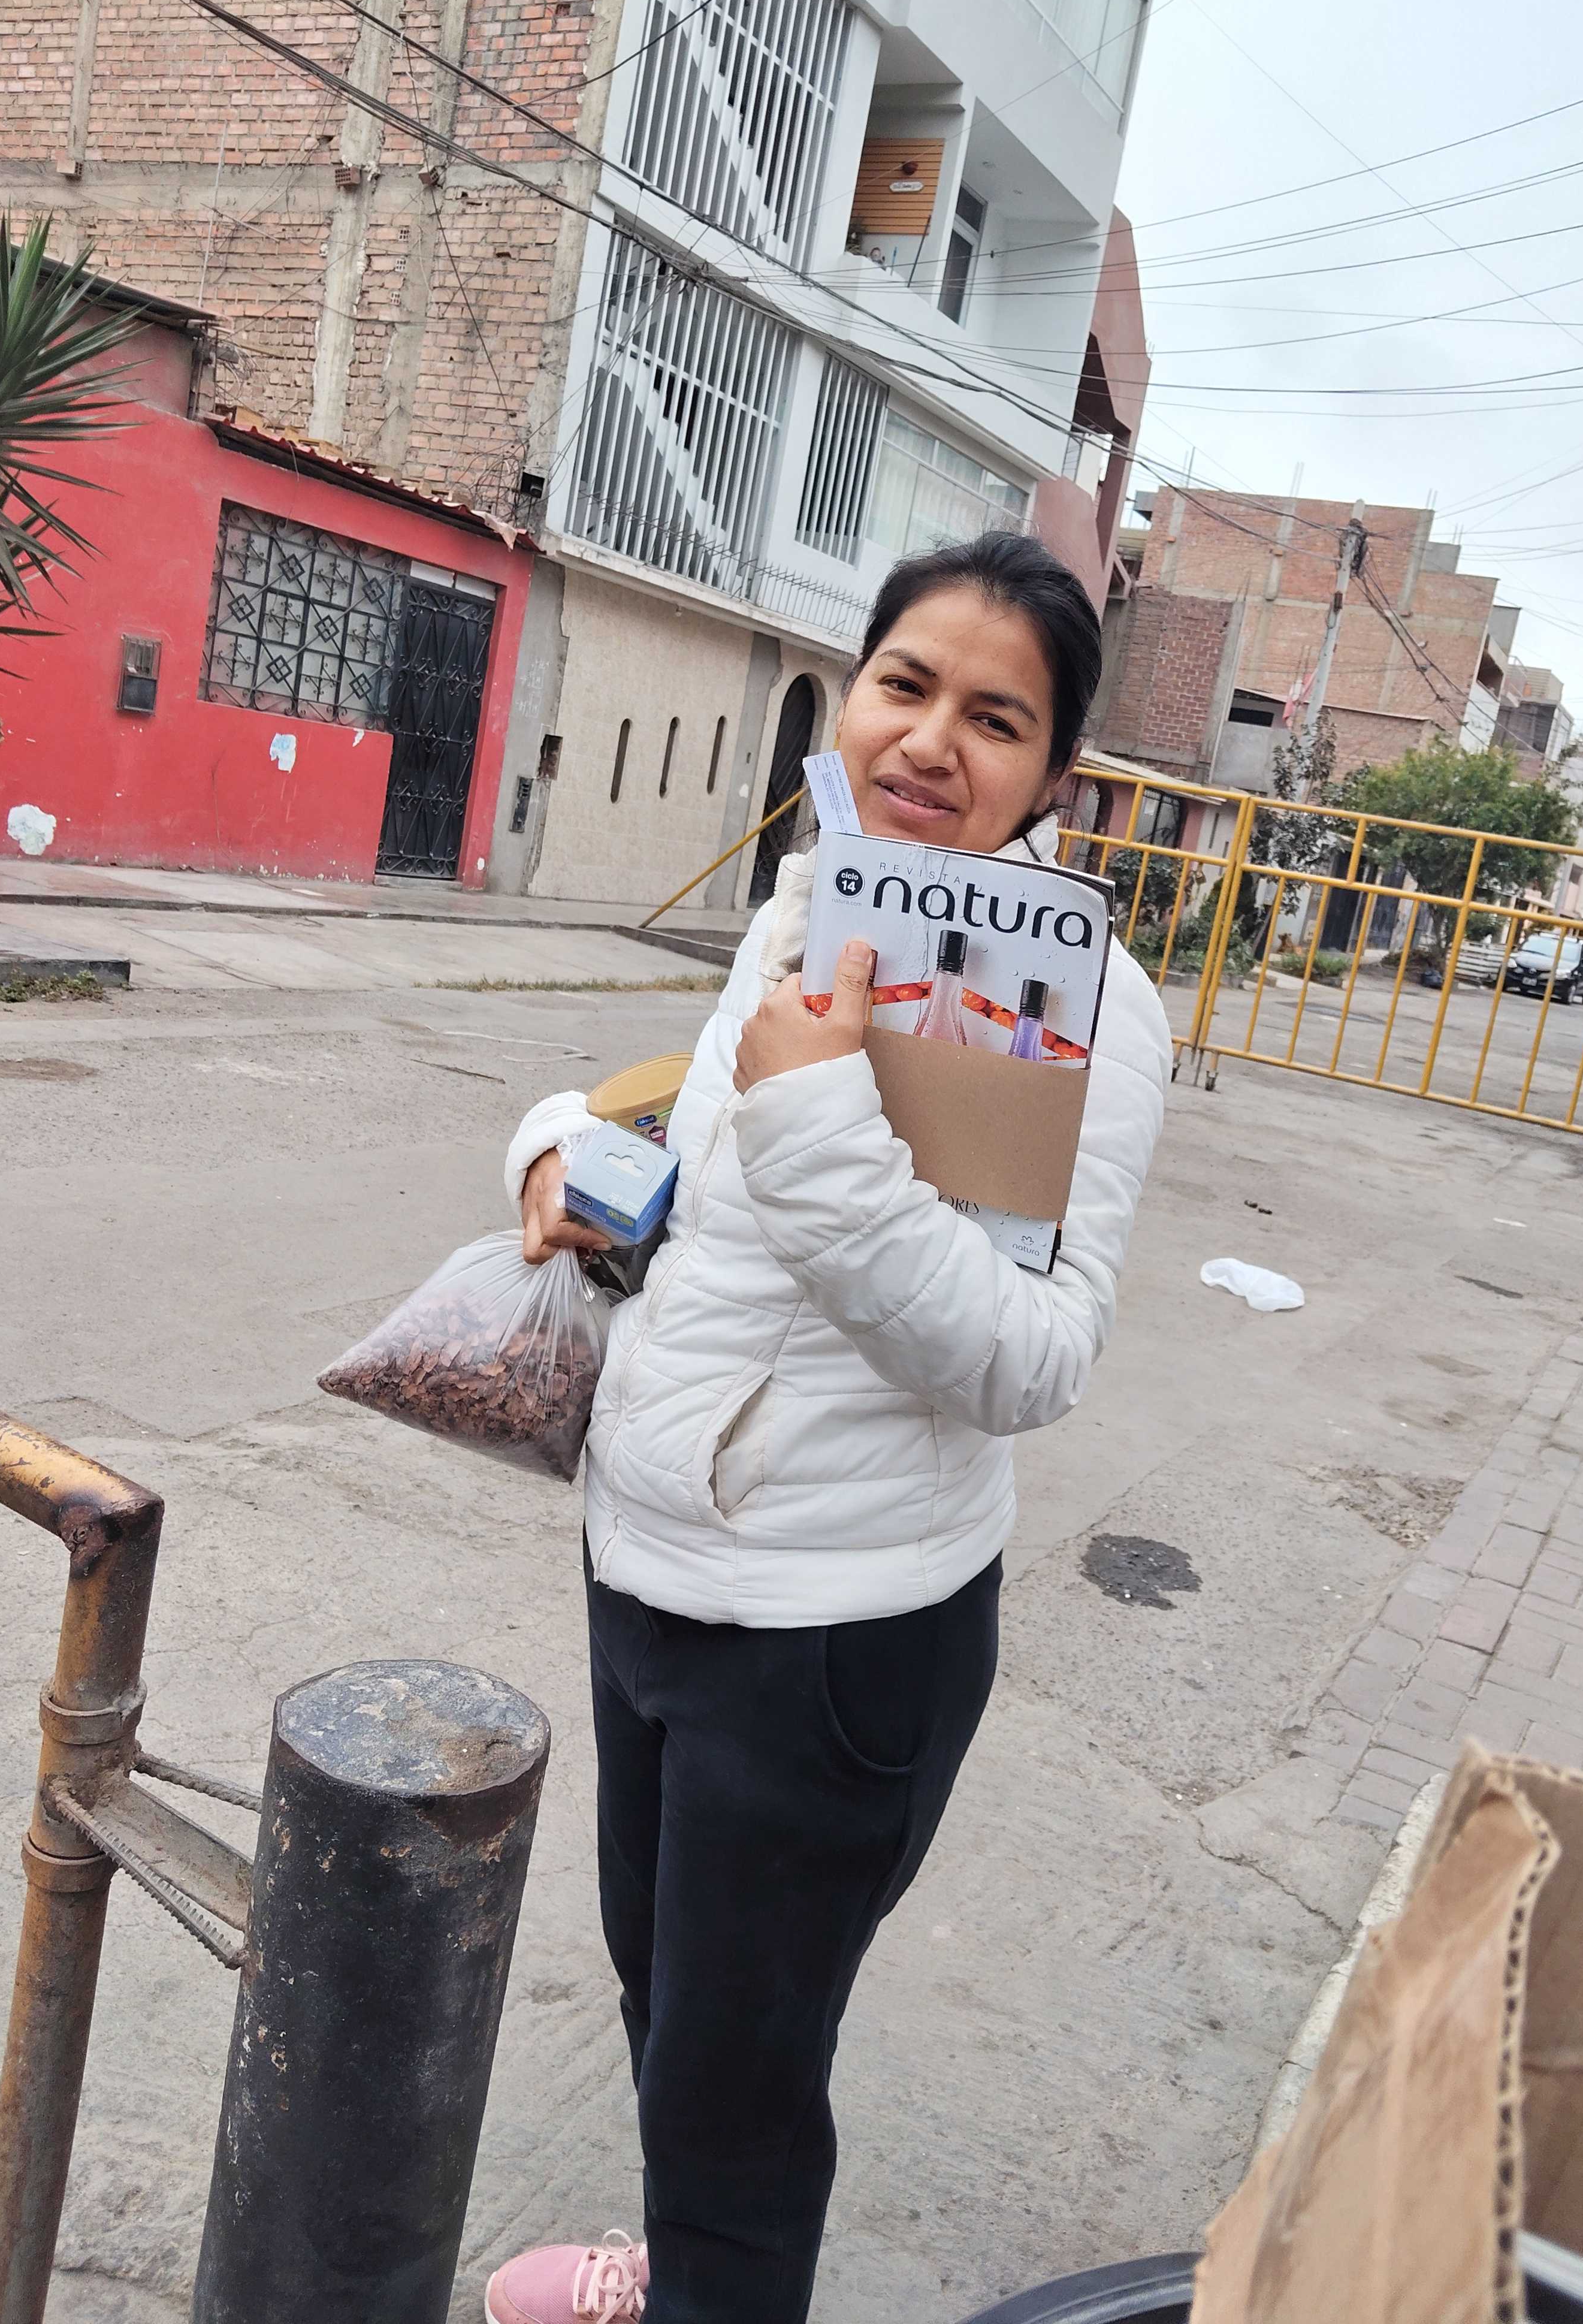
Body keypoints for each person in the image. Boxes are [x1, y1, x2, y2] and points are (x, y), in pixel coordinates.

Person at [485, 532, 1171, 2324]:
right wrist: (563, 1150)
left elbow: (1030, 1362)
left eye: (996, 719)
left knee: (740, 2099)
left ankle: (714, 2281)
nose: (932, 740)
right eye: (904, 685)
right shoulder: (806, 913)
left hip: (832, 1641)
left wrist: (813, 1126)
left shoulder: (1081, 1008)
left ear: (1055, 774)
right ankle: (687, 2278)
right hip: (647, 1570)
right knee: (671, 2008)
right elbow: (711, 1197)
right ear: (849, 699)